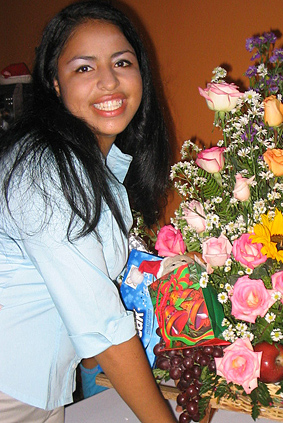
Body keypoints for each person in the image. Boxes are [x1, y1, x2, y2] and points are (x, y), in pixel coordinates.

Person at [0, 1, 177, 422]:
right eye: (83, 68)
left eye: (122, 62)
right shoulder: (45, 168)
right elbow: (104, 328)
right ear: (55, 83)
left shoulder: (92, 161)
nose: (109, 82)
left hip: (33, 386)